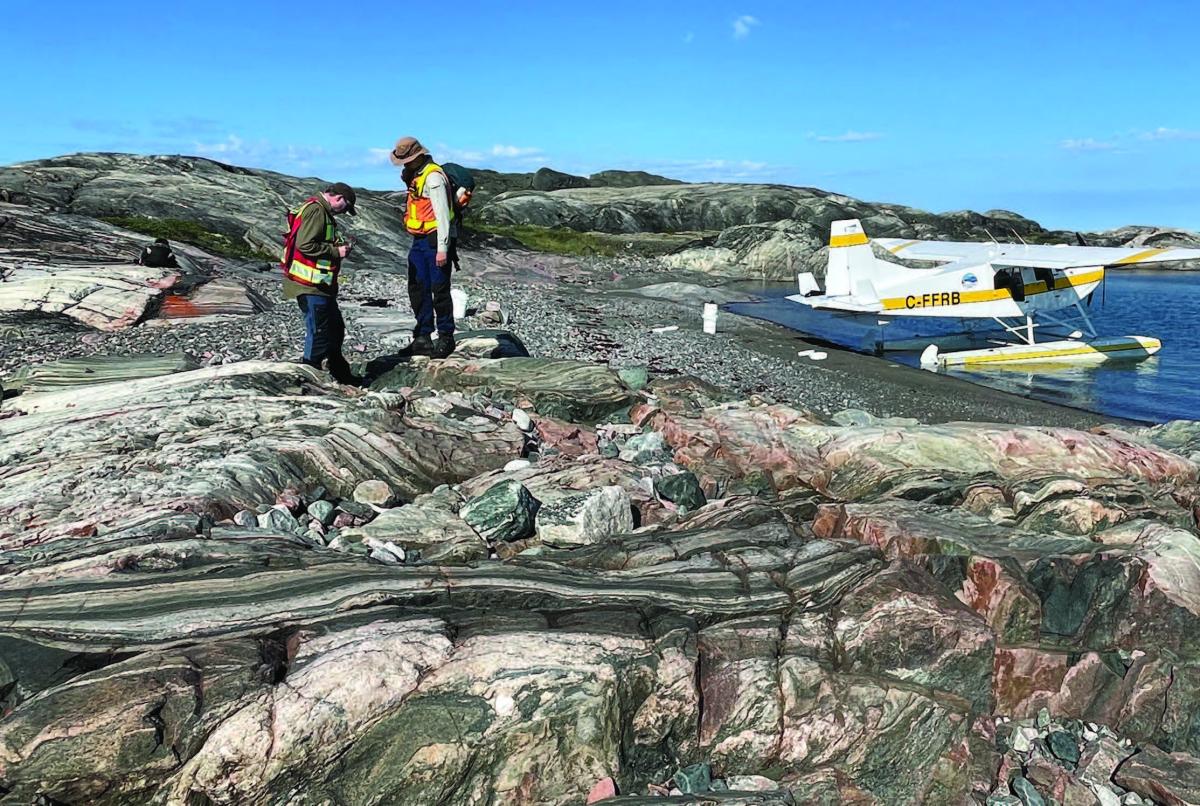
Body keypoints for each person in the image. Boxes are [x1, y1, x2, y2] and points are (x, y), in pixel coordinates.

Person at [281, 182, 358, 384]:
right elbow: (305, 244)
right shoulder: (317, 211)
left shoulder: (318, 209)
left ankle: (339, 372)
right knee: (318, 330)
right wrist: (336, 252)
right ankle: (309, 376)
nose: (344, 212)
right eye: (346, 207)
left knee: (334, 327)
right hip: (310, 284)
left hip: (319, 284)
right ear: (339, 198)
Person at [390, 136, 456, 358]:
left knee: (439, 289)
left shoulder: (433, 178)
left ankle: (446, 336)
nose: (405, 164)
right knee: (417, 287)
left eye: (407, 160)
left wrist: (442, 248)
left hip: (434, 238)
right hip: (418, 240)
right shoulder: (415, 176)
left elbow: (443, 215)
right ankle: (423, 336)